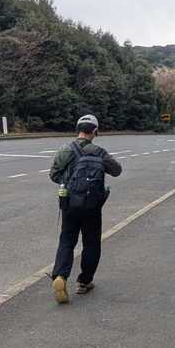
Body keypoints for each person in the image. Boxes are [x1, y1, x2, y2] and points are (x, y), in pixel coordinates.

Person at [47, 113, 122, 304]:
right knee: (91, 242)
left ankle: (60, 276)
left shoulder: (65, 150)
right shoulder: (99, 152)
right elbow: (117, 170)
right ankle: (84, 281)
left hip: (69, 203)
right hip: (92, 205)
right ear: (95, 131)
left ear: (78, 129)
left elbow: (53, 174)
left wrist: (70, 182)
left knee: (67, 240)